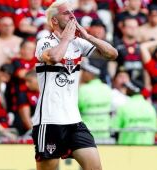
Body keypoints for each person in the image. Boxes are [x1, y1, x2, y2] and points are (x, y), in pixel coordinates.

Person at [32, 1, 117, 170]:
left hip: (74, 121)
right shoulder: (45, 41)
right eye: (66, 13)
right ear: (54, 20)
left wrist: (88, 37)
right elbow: (55, 57)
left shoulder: (78, 43)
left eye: (72, 12)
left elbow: (112, 54)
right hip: (49, 120)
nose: (72, 16)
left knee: (95, 167)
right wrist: (65, 40)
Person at [112, 81, 157, 145]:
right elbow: (154, 128)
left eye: (127, 88)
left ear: (131, 89)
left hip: (127, 150)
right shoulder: (150, 108)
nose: (126, 90)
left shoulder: (124, 107)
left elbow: (114, 128)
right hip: (147, 149)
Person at [78, 59, 112, 139]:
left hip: (87, 134)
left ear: (91, 73)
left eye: (84, 71)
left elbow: (76, 109)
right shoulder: (107, 88)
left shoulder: (83, 89)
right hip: (105, 133)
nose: (82, 74)